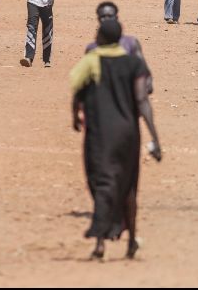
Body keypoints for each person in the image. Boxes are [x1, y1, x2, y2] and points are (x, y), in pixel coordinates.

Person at [70, 19, 162, 260]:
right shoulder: (134, 64)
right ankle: (131, 240)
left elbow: (76, 86)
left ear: (101, 38)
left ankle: (100, 242)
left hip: (101, 133)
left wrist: (75, 115)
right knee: (129, 187)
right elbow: (142, 100)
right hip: (129, 133)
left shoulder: (92, 61)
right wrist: (155, 138)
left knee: (102, 183)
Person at [85, 2, 153, 94]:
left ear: (116, 18)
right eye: (103, 16)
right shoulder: (92, 48)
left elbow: (144, 74)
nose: (106, 19)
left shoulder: (130, 43)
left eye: (110, 16)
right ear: (98, 19)